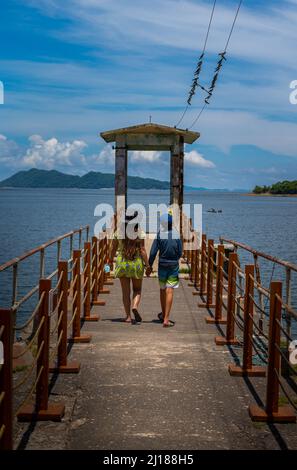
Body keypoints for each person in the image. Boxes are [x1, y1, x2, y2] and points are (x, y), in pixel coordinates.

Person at [108, 212, 150, 324]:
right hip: (136, 263)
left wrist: (109, 262)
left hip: (122, 264)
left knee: (125, 292)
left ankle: (127, 317)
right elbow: (143, 250)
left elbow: (112, 249)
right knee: (137, 290)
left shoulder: (119, 232)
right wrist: (148, 265)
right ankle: (135, 306)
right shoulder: (139, 232)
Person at [146, 213, 182, 327]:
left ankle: (163, 316)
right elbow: (180, 252)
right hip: (173, 266)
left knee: (162, 289)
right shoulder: (176, 235)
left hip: (162, 265)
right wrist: (175, 259)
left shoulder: (159, 235)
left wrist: (149, 266)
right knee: (170, 290)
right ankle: (166, 318)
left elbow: (152, 252)